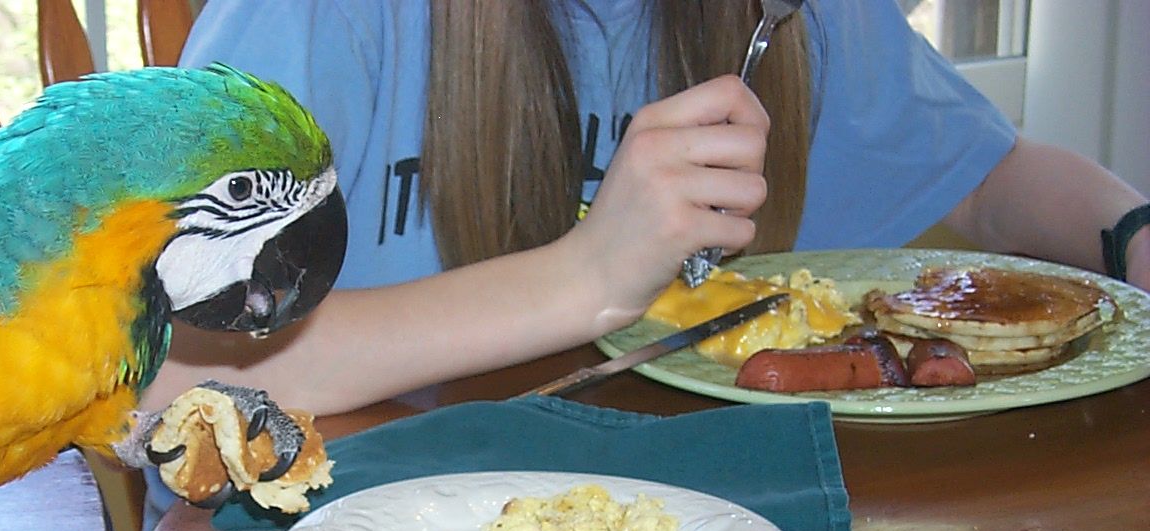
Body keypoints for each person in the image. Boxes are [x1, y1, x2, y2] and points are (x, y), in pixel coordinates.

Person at [140, 0, 1149, 421]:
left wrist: (1132, 233)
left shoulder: (782, 16)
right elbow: (156, 376)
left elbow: (983, 174)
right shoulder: (319, 18)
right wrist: (583, 278)